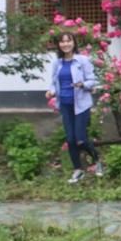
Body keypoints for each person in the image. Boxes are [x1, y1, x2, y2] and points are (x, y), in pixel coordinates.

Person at [45, 32, 103, 183]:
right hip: (65, 104)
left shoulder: (82, 60)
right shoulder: (57, 63)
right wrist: (50, 91)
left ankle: (98, 162)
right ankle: (78, 170)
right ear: (59, 45)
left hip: (81, 105)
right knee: (70, 140)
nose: (65, 44)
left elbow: (92, 80)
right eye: (62, 42)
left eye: (68, 41)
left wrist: (82, 84)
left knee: (81, 139)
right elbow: (53, 82)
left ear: (74, 43)